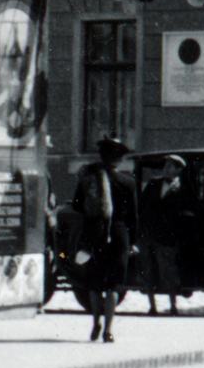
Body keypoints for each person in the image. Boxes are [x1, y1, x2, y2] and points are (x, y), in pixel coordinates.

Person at [71, 136, 139, 342]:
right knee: (113, 285)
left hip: (94, 235)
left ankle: (96, 322)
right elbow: (133, 216)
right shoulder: (128, 183)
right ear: (119, 160)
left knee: (94, 283)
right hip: (118, 236)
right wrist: (133, 241)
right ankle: (108, 330)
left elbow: (76, 206)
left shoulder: (88, 180)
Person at [139, 154, 190, 314]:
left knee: (168, 271)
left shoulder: (183, 189)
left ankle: (173, 306)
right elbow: (141, 206)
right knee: (148, 270)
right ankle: (152, 306)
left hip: (167, 237)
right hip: (148, 235)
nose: (166, 169)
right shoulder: (153, 184)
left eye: (170, 166)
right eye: (166, 166)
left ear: (179, 170)